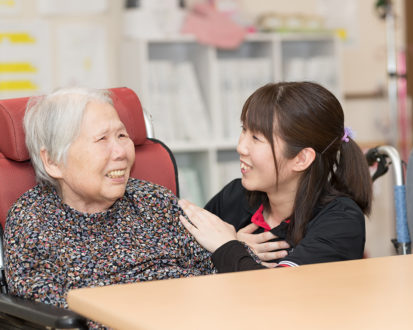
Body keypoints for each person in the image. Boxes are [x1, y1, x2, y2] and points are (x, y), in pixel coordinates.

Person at [4, 87, 215, 315]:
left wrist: (230, 248)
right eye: (102, 139)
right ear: (53, 161)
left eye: (122, 136)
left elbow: (220, 273)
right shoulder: (33, 220)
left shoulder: (155, 199)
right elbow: (59, 315)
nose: (121, 152)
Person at [179, 81, 373, 272]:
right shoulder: (235, 195)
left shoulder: (341, 220)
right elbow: (177, 257)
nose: (241, 147)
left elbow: (280, 290)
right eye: (244, 130)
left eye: (256, 138)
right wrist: (237, 243)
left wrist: (228, 246)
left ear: (301, 159)